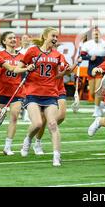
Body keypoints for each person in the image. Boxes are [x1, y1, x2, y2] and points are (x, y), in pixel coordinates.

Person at [17, 27, 65, 166]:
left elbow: (57, 75)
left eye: (57, 36)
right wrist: (27, 68)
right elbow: (17, 69)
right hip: (33, 93)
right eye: (53, 36)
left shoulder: (56, 54)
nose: (55, 39)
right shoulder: (32, 51)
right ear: (45, 36)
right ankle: (28, 139)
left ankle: (57, 156)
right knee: (38, 123)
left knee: (52, 124)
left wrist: (66, 71)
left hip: (50, 94)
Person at [0, 32, 27, 156]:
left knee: (14, 117)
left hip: (16, 91)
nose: (13, 40)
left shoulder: (23, 56)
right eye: (10, 38)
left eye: (15, 38)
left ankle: (7, 146)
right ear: (4, 41)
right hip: (1, 90)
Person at [80, 27, 105, 117]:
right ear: (92, 35)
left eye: (97, 33)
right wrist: (89, 57)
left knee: (98, 90)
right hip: (91, 67)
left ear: (100, 34)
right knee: (92, 92)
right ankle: (100, 104)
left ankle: (97, 110)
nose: (96, 35)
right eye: (94, 34)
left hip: (101, 67)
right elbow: (82, 56)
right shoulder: (87, 44)